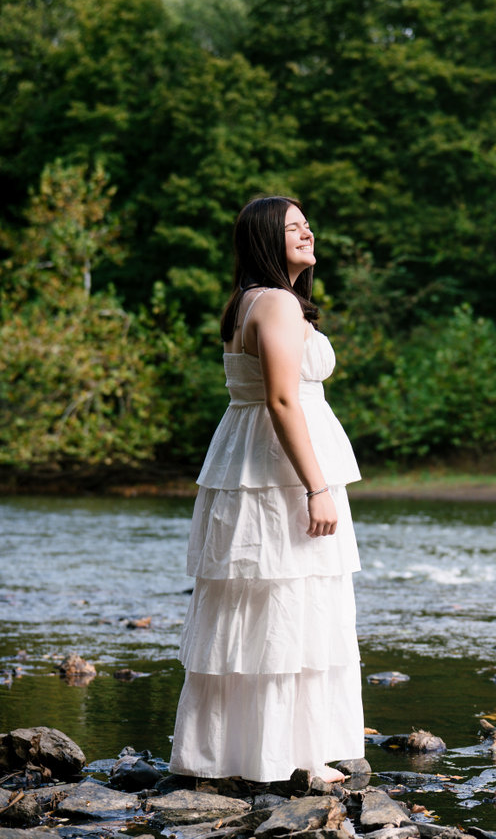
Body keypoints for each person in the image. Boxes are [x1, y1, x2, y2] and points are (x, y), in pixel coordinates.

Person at [169, 196, 364, 784]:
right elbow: (282, 399)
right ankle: (287, 755)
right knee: (285, 603)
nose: (307, 232)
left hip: (248, 462)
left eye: (307, 223)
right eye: (291, 228)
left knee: (260, 604)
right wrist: (317, 487)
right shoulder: (276, 302)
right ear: (263, 242)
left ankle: (236, 753)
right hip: (277, 472)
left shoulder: (250, 301)